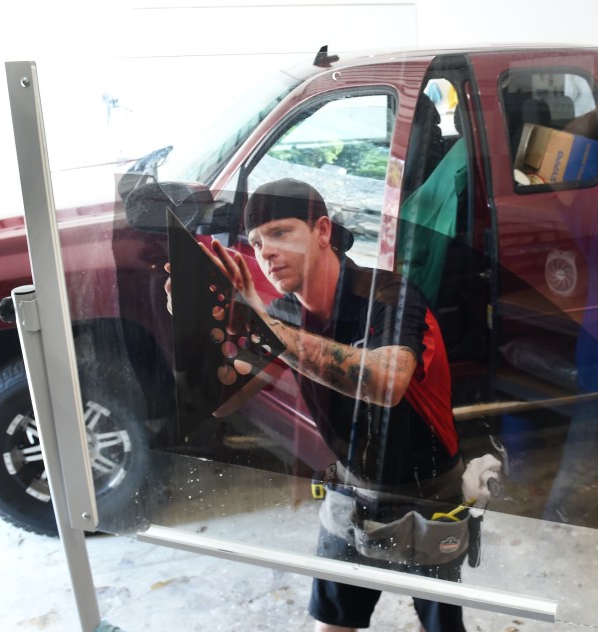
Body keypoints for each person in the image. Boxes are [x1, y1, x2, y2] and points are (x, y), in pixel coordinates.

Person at [166, 178, 495, 632]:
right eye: (258, 242)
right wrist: (202, 326)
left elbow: (387, 382)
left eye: (282, 232)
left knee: (441, 627)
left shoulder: (391, 296)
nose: (267, 253)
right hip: (351, 489)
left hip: (429, 492)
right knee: (331, 626)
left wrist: (258, 323)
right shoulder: (280, 313)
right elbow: (222, 402)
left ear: (322, 230)